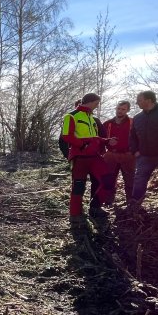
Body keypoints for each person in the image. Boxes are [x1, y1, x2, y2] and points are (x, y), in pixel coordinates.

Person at [60, 93, 116, 221]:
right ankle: (75, 215)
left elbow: (94, 138)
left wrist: (107, 141)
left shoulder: (91, 118)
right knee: (79, 186)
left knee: (108, 180)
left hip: (94, 156)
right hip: (80, 157)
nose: (97, 106)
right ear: (90, 102)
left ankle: (95, 207)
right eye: (96, 103)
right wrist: (83, 145)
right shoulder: (71, 116)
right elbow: (66, 136)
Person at [100, 101, 135, 205]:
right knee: (109, 179)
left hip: (128, 155)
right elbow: (100, 139)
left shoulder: (133, 122)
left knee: (130, 180)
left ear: (128, 110)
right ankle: (108, 201)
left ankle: (131, 202)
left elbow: (139, 138)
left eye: (123, 109)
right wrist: (107, 142)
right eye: (118, 108)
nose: (120, 111)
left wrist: (137, 152)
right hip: (111, 154)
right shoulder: (107, 123)